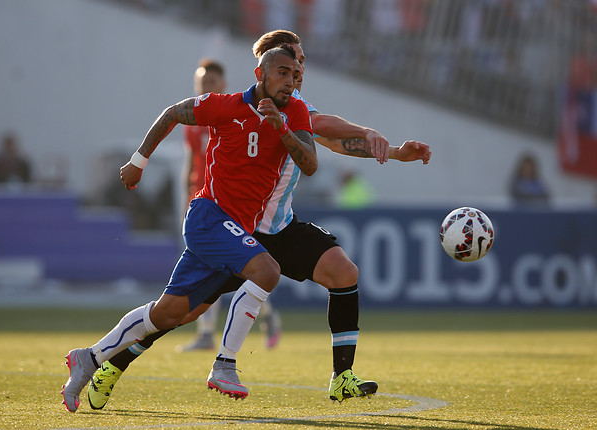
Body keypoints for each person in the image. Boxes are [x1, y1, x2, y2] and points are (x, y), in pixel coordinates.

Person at [86, 29, 431, 410]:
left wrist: (395, 152)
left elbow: (329, 138)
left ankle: (341, 377)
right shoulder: (256, 106)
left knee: (343, 272)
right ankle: (114, 363)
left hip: (280, 226)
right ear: (265, 68)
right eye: (291, 61)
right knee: (181, 313)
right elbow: (328, 128)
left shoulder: (295, 105)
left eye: (301, 61)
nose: (299, 67)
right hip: (242, 229)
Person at [61, 44, 317, 413]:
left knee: (172, 314)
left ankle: (88, 357)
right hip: (209, 217)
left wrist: (284, 131)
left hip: (235, 229)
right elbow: (172, 113)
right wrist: (139, 160)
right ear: (260, 74)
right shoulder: (225, 106)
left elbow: (309, 164)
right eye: (282, 73)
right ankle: (225, 363)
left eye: (295, 75)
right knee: (267, 270)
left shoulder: (296, 113)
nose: (290, 82)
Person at [178, 58, 282, 353]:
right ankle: (207, 333)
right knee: (214, 268)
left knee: (238, 269)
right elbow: (191, 162)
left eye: (210, 83)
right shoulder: (195, 121)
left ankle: (266, 313)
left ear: (222, 85)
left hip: (228, 206)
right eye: (201, 83)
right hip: (202, 203)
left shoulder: (235, 114)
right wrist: (189, 192)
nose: (205, 88)